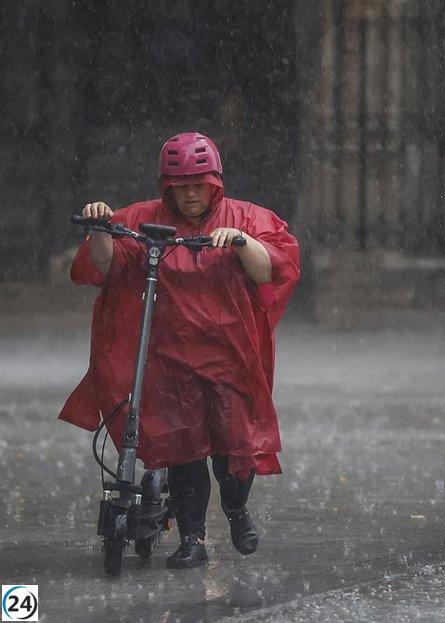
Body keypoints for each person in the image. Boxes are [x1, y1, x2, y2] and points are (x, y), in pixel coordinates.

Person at [59, 132, 300, 568]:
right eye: (181, 186)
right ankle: (193, 539)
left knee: (233, 452)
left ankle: (235, 509)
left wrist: (243, 242)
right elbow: (106, 263)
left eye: (199, 184)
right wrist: (100, 227)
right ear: (166, 185)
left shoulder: (248, 217)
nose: (190, 194)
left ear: (215, 182)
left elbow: (272, 269)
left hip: (231, 357)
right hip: (171, 358)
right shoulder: (145, 219)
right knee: (186, 453)